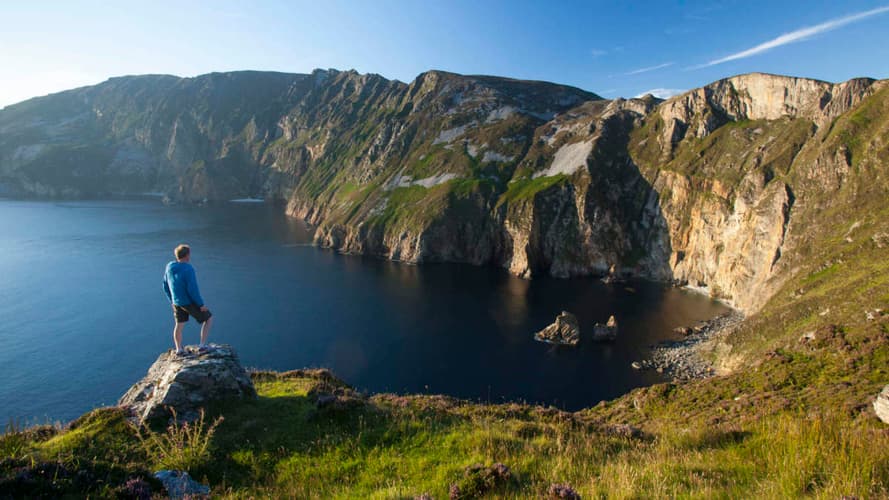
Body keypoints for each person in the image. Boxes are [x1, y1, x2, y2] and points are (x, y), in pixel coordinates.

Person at [163, 244, 214, 355]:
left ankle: (179, 349)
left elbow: (165, 285)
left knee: (179, 324)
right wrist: (201, 304)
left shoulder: (169, 267)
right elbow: (192, 289)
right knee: (208, 318)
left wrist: (171, 300)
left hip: (176, 302)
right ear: (187, 255)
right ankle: (202, 346)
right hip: (188, 302)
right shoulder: (188, 268)